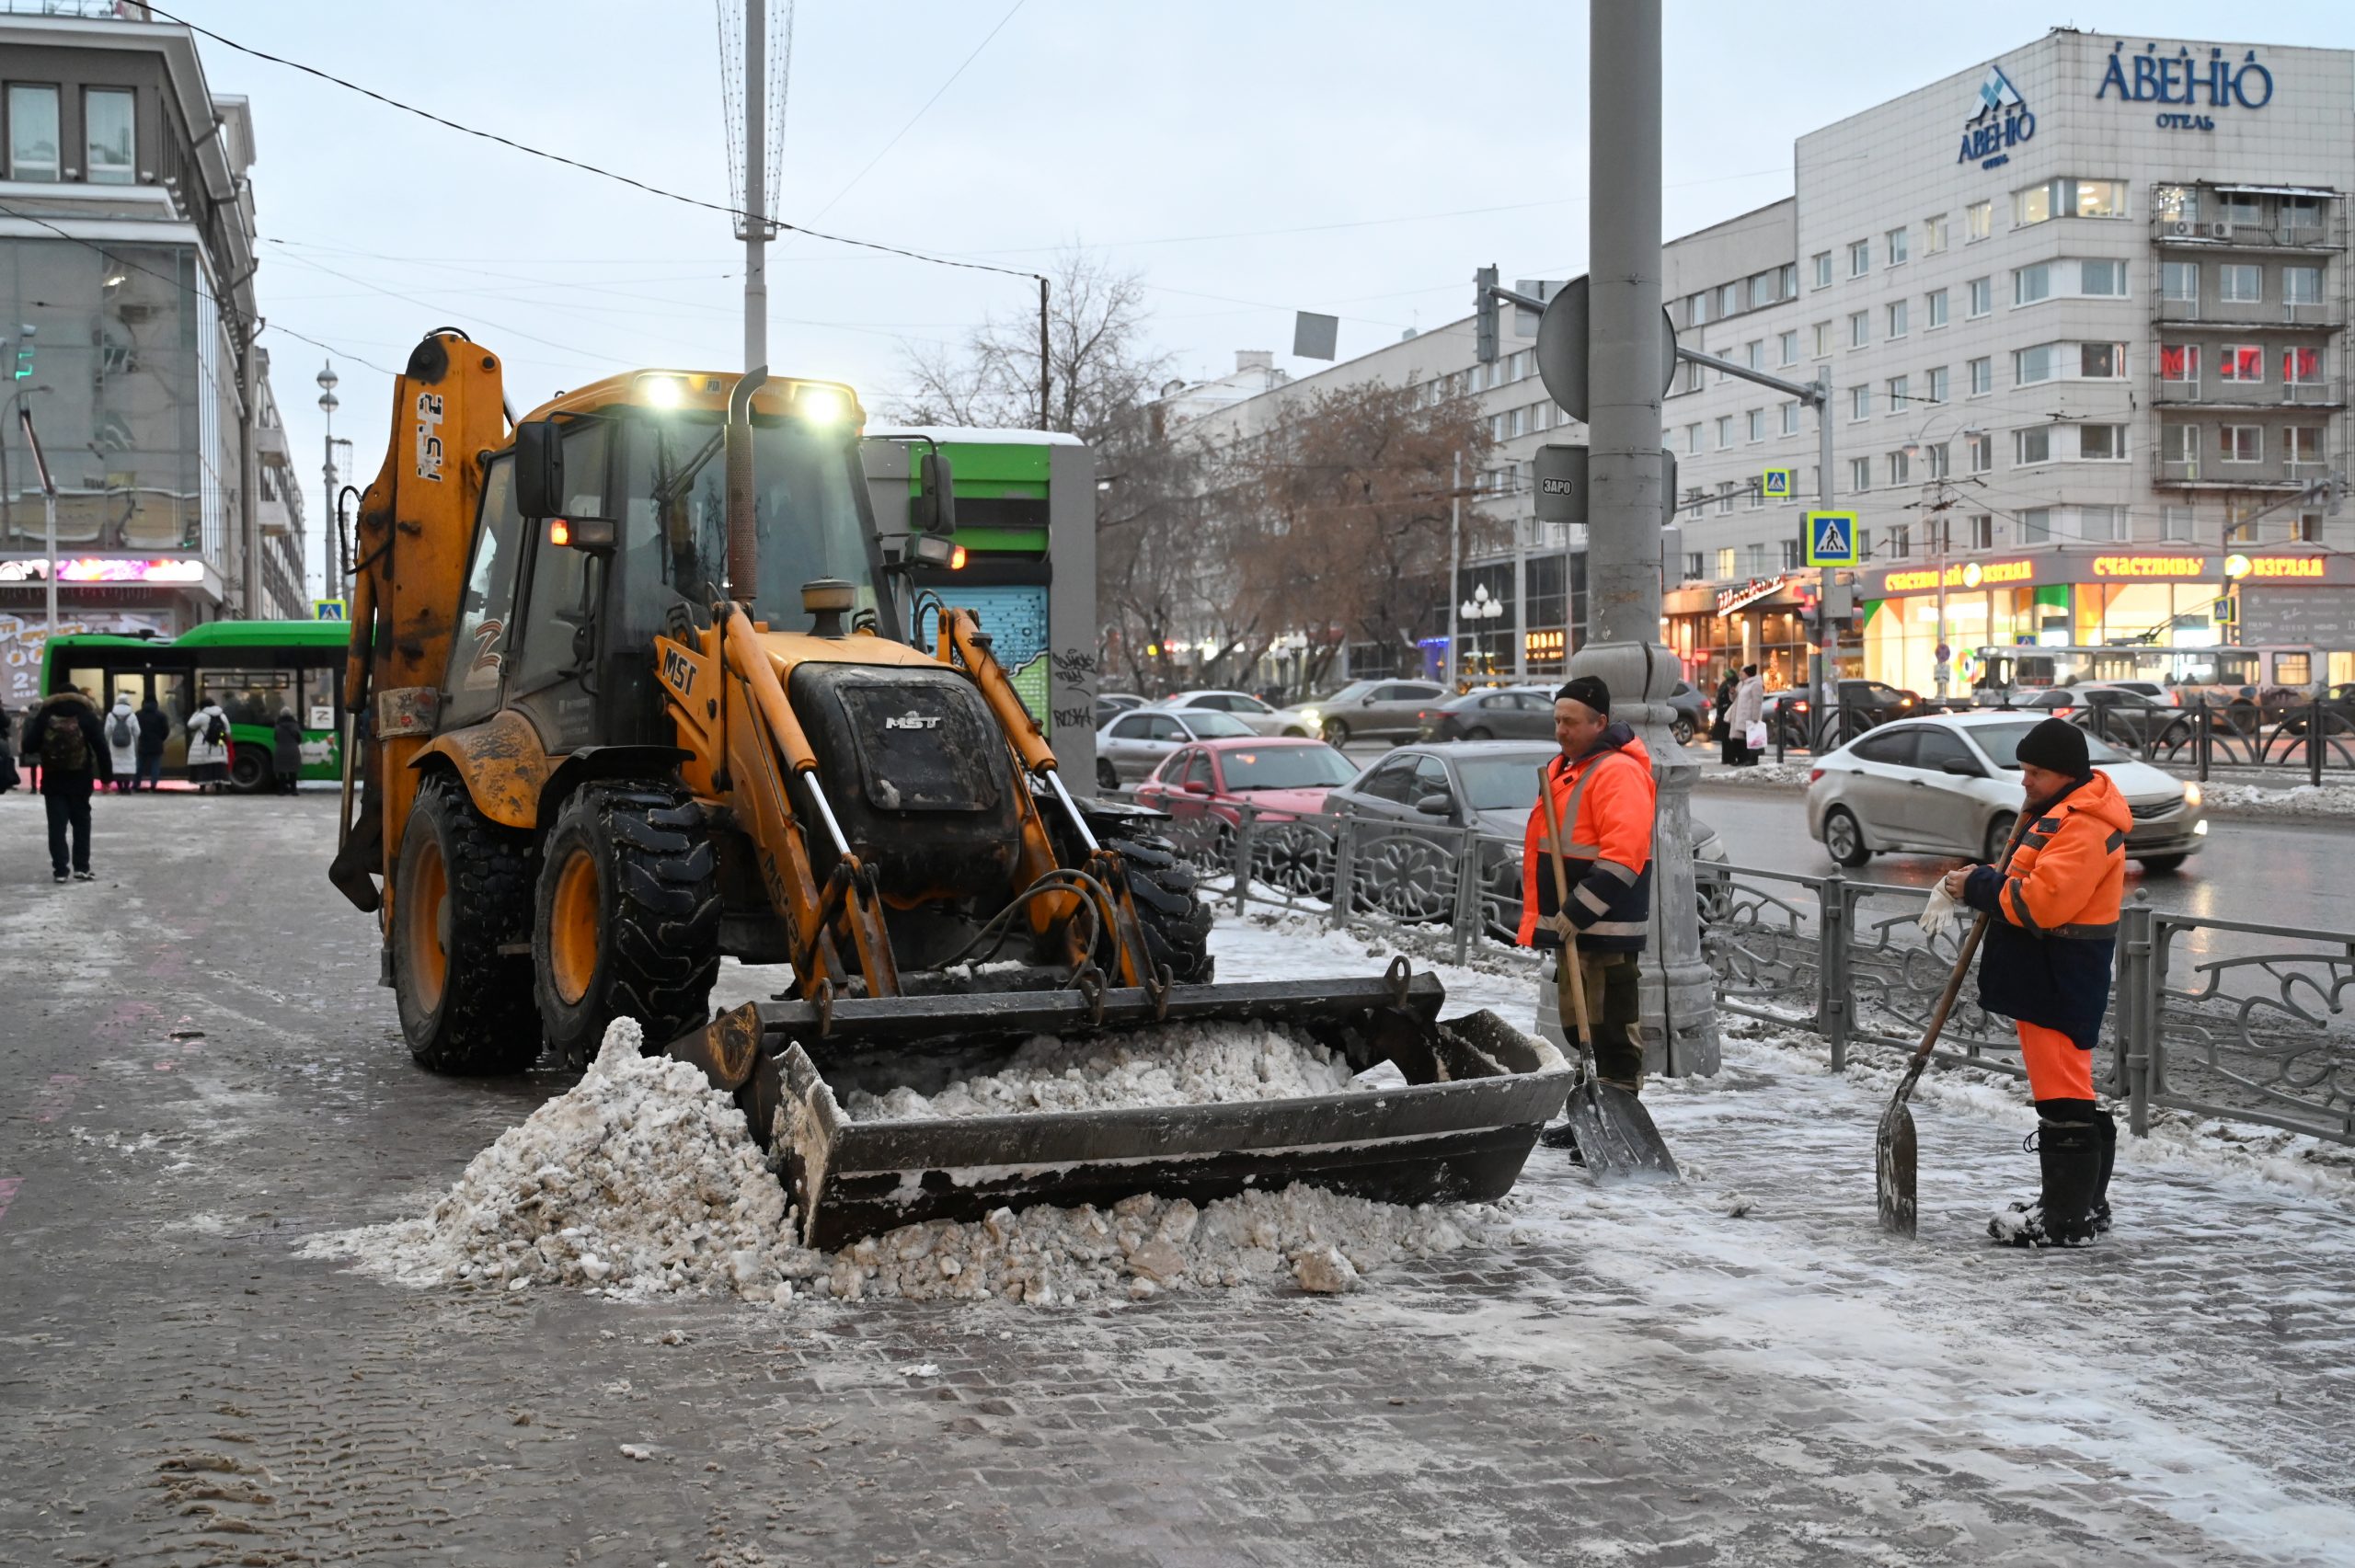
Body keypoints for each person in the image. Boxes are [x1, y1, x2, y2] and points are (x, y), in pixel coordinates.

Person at [1938, 717, 2128, 1248]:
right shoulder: (2059, 813)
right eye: (2023, 769)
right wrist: (1985, 878)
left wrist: (1978, 884)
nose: (2025, 781)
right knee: (2067, 1088)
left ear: (2065, 774)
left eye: (2035, 772)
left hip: (2060, 971)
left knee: (2062, 1092)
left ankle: (2066, 1220)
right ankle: (2081, 1203)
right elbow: (2027, 882)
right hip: (2048, 969)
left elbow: (2042, 904)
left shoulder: (2085, 825)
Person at [1518, 674, 1659, 1127]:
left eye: (1571, 722)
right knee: (1584, 1031)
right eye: (1557, 721)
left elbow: (1625, 855)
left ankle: (1619, 1126)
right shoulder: (1566, 769)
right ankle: (1591, 1123)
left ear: (1600, 722)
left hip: (1603, 931)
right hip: (1576, 930)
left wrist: (1577, 912)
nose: (1561, 731)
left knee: (1612, 1033)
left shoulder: (1617, 772)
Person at [22, 684, 104, 882]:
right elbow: (101, 746)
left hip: (53, 779)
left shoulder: (46, 714)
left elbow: (29, 745)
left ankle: (60, 870)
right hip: (80, 779)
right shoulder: (86, 714)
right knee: (82, 823)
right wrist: (108, 777)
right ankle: (81, 867)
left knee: (57, 826)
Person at [186, 693, 230, 793]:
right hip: (219, 745)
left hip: (204, 746)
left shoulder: (202, 716)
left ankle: (202, 789)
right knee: (218, 767)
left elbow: (190, 725)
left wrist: (196, 712)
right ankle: (218, 788)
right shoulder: (222, 715)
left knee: (204, 766)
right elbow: (228, 731)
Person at [1727, 663, 1765, 766]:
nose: (1740, 674)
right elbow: (1734, 700)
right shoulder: (1742, 684)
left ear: (1748, 674)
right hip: (1740, 716)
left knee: (1752, 738)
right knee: (1739, 740)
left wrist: (1755, 718)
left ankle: (1752, 759)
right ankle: (1741, 759)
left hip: (1749, 716)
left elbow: (1757, 702)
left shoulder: (1755, 684)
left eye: (1742, 672)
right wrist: (1732, 693)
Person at [103, 692, 140, 792]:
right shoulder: (132, 715)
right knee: (128, 765)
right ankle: (127, 787)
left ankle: (120, 787)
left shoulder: (110, 715)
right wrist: (135, 741)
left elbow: (107, 732)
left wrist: (107, 741)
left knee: (116, 764)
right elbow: (137, 731)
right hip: (128, 744)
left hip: (114, 744)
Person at [134, 694, 169, 790]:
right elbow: (166, 730)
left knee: (139, 765)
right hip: (156, 743)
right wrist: (160, 739)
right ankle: (153, 785)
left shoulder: (138, 714)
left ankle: (136, 784)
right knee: (155, 765)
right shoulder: (161, 715)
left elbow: (135, 729)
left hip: (143, 743)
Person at [271, 707, 304, 795]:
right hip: (293, 750)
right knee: (293, 772)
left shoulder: (278, 726)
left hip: (281, 750)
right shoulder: (295, 725)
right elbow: (299, 739)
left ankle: (282, 790)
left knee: (282, 772)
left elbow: (276, 738)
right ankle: (294, 790)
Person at [1710, 667, 1736, 747]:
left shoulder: (1732, 683)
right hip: (1722, 709)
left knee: (1726, 730)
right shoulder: (1726, 683)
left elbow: (1730, 696)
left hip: (1726, 709)